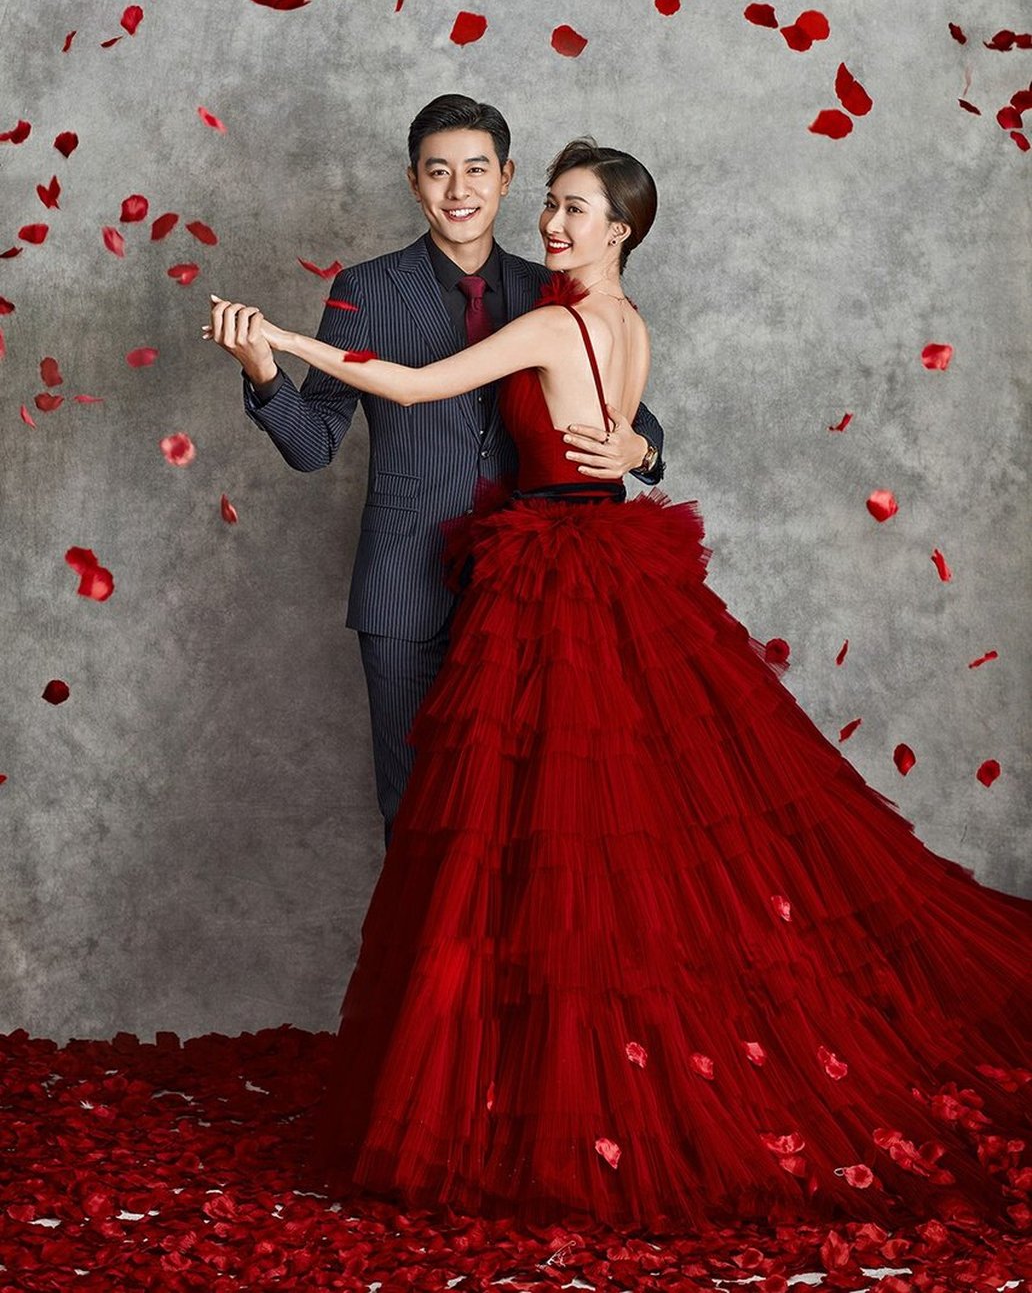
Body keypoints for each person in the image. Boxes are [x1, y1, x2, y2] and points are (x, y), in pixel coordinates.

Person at [204, 140, 1031, 1234]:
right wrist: (631, 446)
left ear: (621, 228)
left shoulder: (555, 322)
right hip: (608, 556)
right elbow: (593, 422)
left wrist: (279, 337)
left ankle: (566, 1084)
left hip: (556, 571)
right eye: (551, 205)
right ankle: (583, 1064)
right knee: (623, 824)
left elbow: (408, 382)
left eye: (575, 209)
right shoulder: (627, 319)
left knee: (562, 831)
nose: (552, 224)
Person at [210, 95, 664, 847]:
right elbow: (313, 444)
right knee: (418, 813)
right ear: (413, 181)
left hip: (533, 596)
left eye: (477, 169)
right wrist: (264, 372)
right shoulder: (364, 291)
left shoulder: (552, 285)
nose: (459, 190)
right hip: (406, 589)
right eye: (438, 171)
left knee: (530, 820)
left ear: (506, 178)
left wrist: (640, 452)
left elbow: (629, 415)